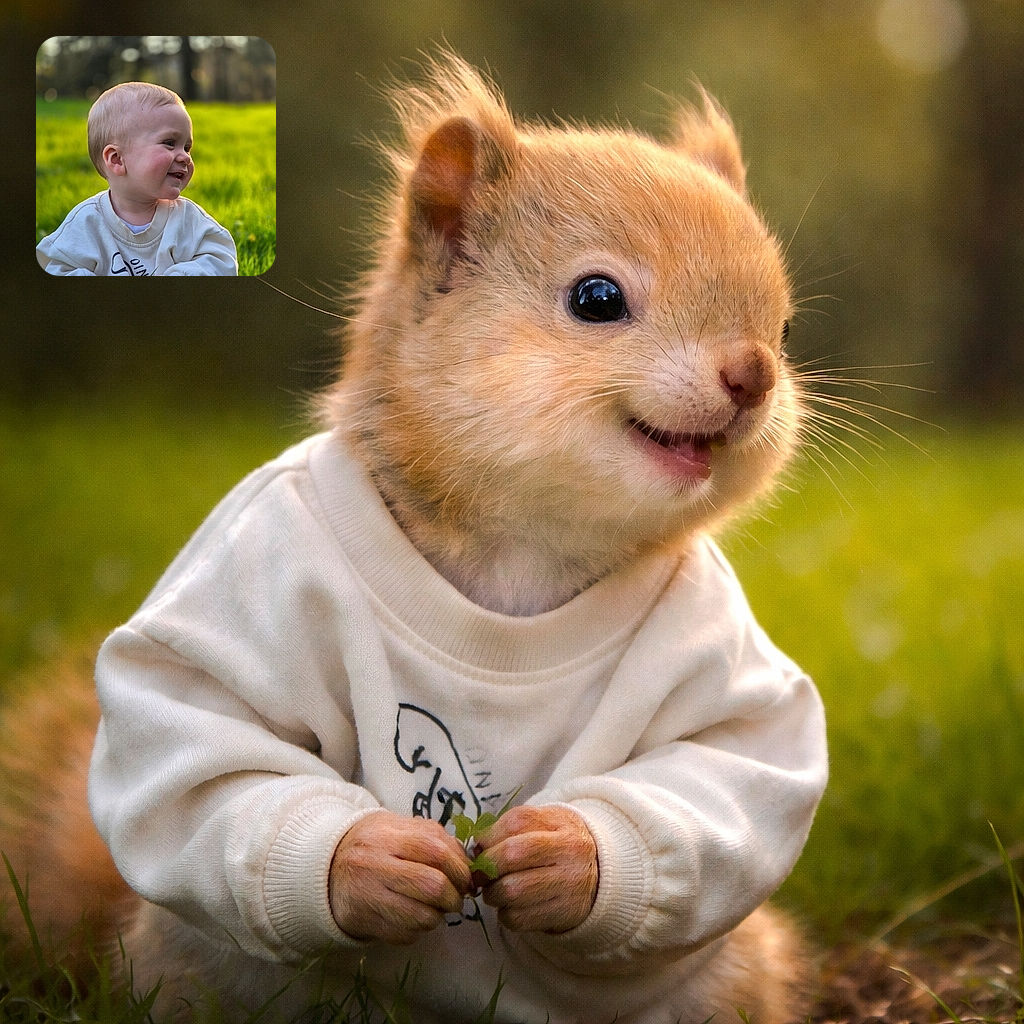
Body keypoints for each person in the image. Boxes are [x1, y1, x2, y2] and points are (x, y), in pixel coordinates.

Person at [36, 82, 237, 276]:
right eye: (169, 143)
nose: (185, 157)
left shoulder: (188, 219)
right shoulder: (87, 222)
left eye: (187, 147)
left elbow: (222, 260)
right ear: (117, 159)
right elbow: (52, 266)